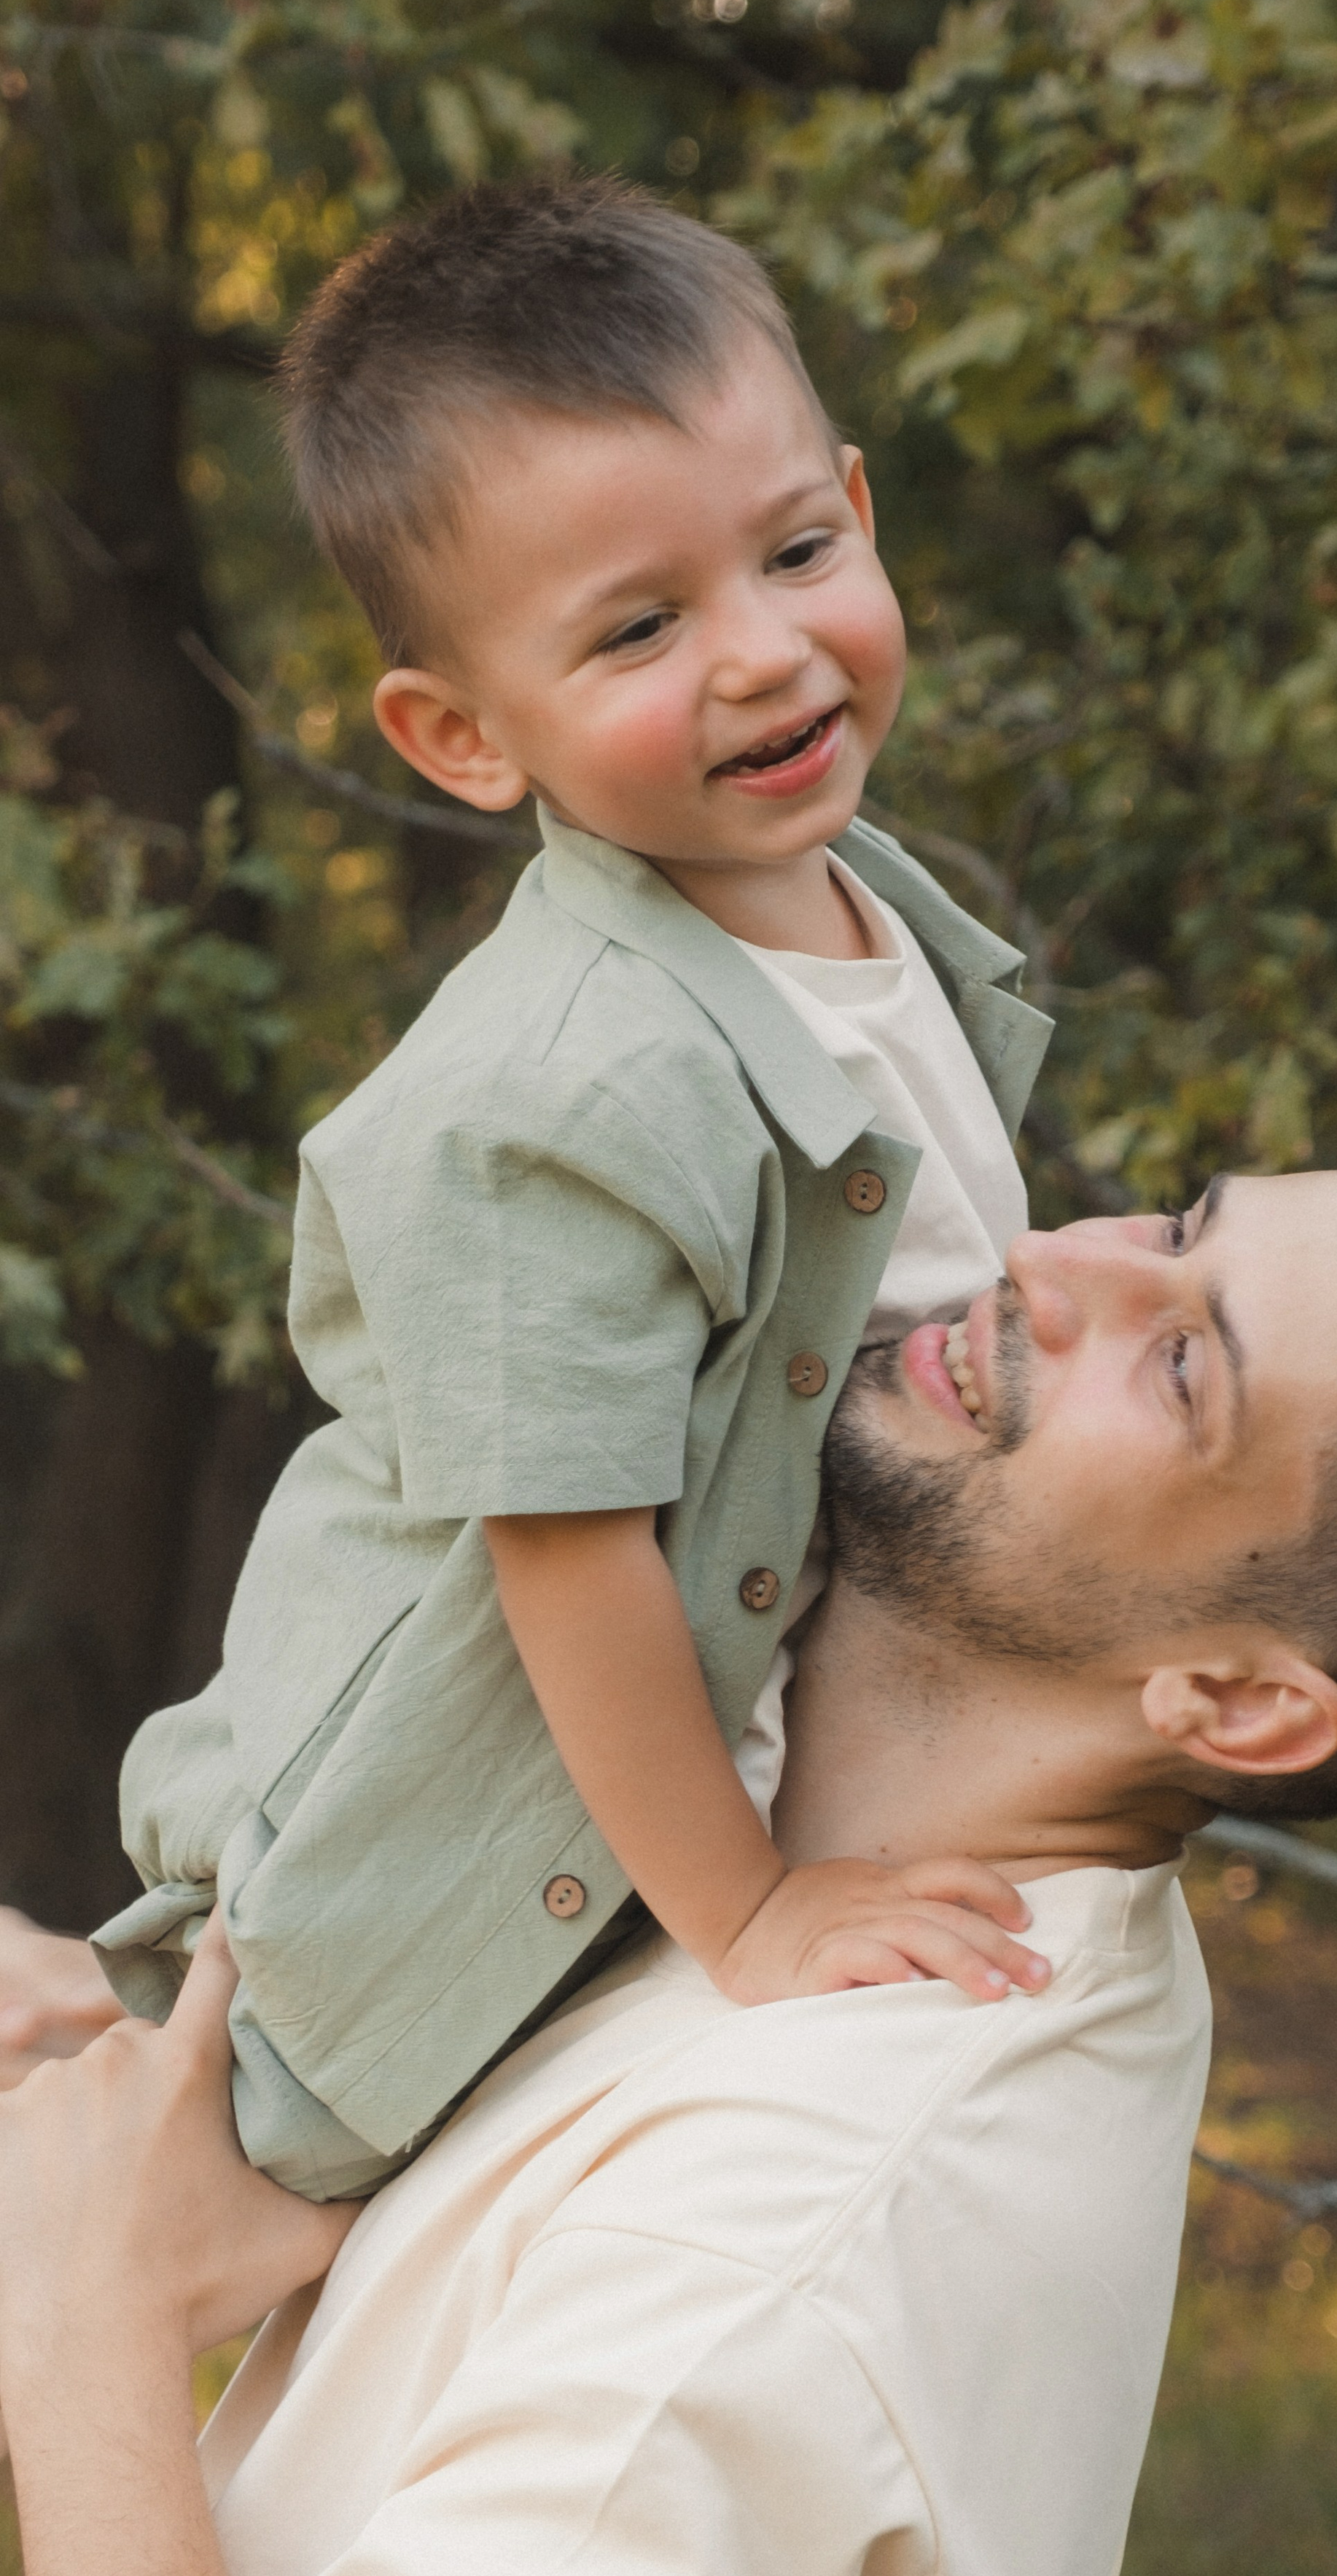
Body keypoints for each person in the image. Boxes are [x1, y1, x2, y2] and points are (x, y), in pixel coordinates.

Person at [0, 1168, 1337, 2576]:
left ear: (1236, 1702)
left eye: (1183, 1363)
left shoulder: (775, 2253)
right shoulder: (793, 1881)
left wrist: (89, 2338)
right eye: (1177, 1220)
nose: (1051, 1264)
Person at [93, 174, 1058, 2202]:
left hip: (709, 1828)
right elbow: (570, 1559)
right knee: (145, 2222)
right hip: (426, 1922)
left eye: (795, 552)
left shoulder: (881, 917)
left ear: (860, 511)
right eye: (639, 627)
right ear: (461, 735)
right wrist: (749, 1913)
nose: (762, 654)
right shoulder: (556, 1092)